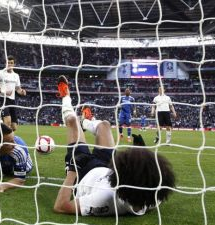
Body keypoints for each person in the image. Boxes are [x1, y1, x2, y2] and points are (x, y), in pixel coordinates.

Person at [53, 75, 175, 216]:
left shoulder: (105, 199)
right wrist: (142, 154)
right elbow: (150, 177)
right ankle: (86, 121)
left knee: (72, 121)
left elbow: (61, 206)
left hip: (83, 171)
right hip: (107, 166)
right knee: (104, 125)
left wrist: (72, 171)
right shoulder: (152, 197)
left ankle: (65, 96)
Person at [0, 55, 26, 131]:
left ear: (14, 64)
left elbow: (18, 89)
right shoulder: (0, 73)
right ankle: (4, 140)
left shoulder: (16, 76)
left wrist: (22, 92)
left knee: (14, 127)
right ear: (5, 63)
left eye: (11, 63)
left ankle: (1, 132)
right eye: (8, 62)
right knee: (7, 122)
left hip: (12, 101)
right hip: (3, 99)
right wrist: (4, 92)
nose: (9, 64)